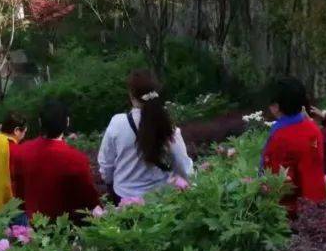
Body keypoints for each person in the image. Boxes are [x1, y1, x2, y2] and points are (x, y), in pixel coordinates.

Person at [98, 69, 193, 201]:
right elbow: (182, 165)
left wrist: (109, 182)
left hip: (124, 199)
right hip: (160, 201)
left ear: (131, 95)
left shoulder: (117, 123)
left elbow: (106, 166)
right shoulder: (168, 128)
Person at [10, 100, 101, 220]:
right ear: (67, 122)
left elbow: (19, 193)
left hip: (34, 226)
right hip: (66, 228)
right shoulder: (76, 158)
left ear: (40, 121)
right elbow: (90, 200)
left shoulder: (21, 151)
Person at [261, 77, 326, 214]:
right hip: (316, 202)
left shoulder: (280, 137)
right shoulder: (313, 128)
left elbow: (275, 177)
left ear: (276, 107)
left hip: (290, 211)